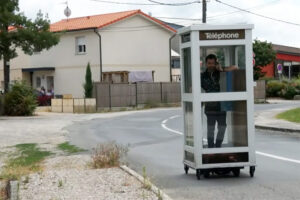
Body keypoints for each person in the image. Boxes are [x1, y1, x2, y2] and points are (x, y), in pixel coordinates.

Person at [201, 54, 238, 148]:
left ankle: (217, 146)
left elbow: (236, 67)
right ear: (206, 63)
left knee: (222, 127)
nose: (211, 65)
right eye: (209, 63)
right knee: (211, 129)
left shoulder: (220, 72)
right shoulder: (202, 76)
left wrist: (222, 70)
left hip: (221, 106)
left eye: (213, 63)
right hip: (210, 107)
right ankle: (210, 147)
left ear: (216, 63)